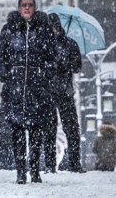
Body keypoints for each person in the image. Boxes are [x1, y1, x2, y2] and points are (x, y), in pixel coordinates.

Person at [0, 0, 55, 184]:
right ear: (18, 7)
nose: (27, 7)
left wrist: (45, 74)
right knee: (17, 132)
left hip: (37, 88)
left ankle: (35, 169)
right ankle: (21, 171)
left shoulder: (43, 29)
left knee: (37, 132)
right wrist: (6, 75)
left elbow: (53, 57)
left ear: (35, 7)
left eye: (30, 4)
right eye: (24, 4)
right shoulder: (9, 30)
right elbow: (1, 57)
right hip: (16, 87)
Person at [42, 13, 84, 173]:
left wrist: (66, 64)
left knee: (71, 128)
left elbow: (77, 66)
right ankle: (49, 164)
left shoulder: (70, 44)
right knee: (49, 130)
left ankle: (74, 162)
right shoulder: (44, 45)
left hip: (65, 92)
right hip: (48, 92)